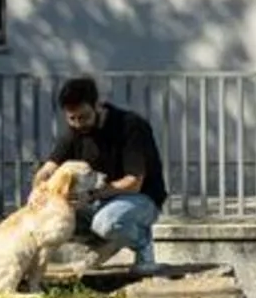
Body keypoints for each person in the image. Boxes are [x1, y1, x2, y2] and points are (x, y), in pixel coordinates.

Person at [37, 75, 167, 275]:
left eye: (84, 117)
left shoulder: (130, 126)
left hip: (140, 198)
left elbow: (134, 183)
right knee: (54, 216)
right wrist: (39, 189)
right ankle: (102, 245)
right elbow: (49, 168)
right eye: (72, 118)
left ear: (97, 105)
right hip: (98, 200)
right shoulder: (74, 130)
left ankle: (143, 245)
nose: (78, 124)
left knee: (107, 223)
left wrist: (90, 196)